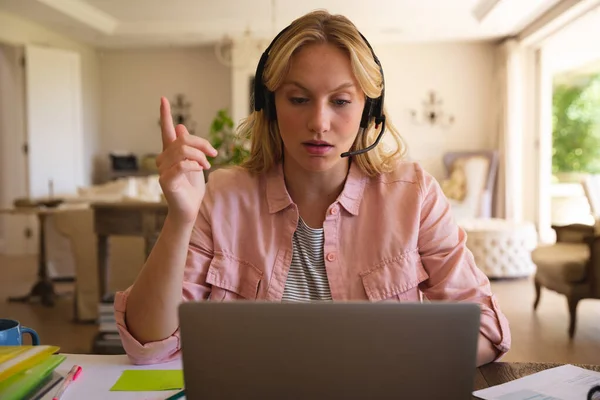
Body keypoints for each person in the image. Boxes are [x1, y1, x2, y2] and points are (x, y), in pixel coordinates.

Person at [114, 9, 510, 367]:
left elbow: (487, 329)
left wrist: (390, 363)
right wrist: (180, 218)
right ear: (270, 107)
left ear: (367, 112)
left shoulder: (414, 193)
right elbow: (148, 343)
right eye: (299, 99)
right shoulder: (222, 195)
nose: (319, 122)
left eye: (340, 101)